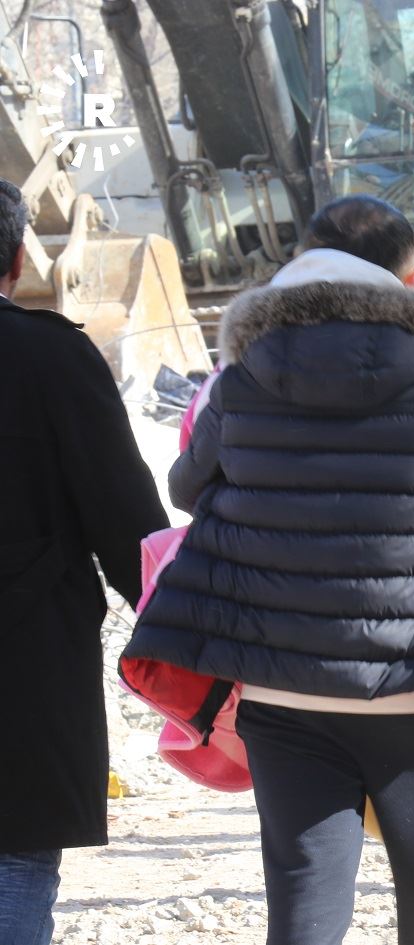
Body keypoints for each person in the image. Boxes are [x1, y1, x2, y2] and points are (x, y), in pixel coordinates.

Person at [125, 195, 414, 945]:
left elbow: (188, 487)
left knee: (304, 897)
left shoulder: (243, 376)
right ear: (411, 277)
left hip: (279, 682)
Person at [0, 177, 169, 945]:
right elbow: (123, 514)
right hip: (23, 658)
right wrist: (186, 638)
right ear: (14, 265)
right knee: (17, 854)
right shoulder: (50, 357)